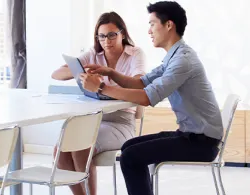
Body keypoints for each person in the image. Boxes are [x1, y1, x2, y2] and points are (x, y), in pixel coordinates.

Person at [79, 2, 223, 195]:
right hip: (191, 135)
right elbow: (142, 83)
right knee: (129, 147)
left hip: (201, 143)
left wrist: (102, 87)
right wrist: (111, 73)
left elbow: (146, 97)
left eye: (152, 24)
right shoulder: (174, 56)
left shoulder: (183, 61)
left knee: (130, 156)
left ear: (169, 25)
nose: (149, 31)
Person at [51, 11, 146, 195]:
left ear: (122, 34)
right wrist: (81, 71)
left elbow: (139, 83)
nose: (106, 41)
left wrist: (103, 83)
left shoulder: (135, 54)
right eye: (102, 36)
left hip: (121, 122)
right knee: (60, 149)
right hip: (96, 120)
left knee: (80, 144)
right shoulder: (95, 53)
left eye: (112, 35)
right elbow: (56, 74)